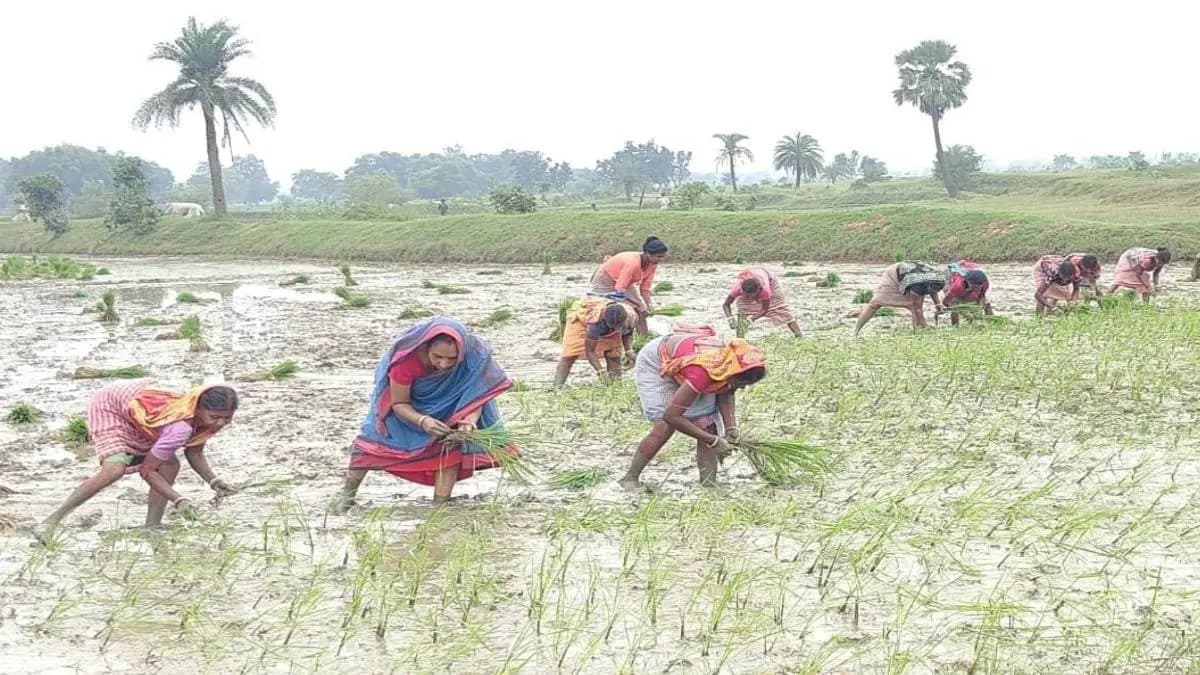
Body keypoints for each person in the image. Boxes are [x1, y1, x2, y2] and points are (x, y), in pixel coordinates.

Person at [335, 317, 517, 508]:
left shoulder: (474, 358)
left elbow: (476, 395)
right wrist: (423, 421)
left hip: (452, 408)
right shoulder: (405, 361)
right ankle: (346, 497)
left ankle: (439, 506)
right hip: (406, 409)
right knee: (371, 445)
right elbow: (399, 402)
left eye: (452, 359)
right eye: (437, 357)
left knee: (449, 448)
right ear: (425, 348)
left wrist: (468, 422)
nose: (444, 364)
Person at [40, 382, 239, 537]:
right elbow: (147, 470)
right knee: (114, 470)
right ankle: (52, 520)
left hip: (141, 410)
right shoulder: (180, 428)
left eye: (227, 418)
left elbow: (194, 451)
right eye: (215, 417)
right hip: (111, 405)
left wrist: (215, 482)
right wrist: (178, 500)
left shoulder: (200, 419)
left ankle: (151, 525)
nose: (221, 423)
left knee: (170, 465)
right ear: (197, 409)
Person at [620, 325, 766, 488]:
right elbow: (672, 416)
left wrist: (730, 428)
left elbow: (727, 390)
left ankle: (709, 485)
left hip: (690, 365)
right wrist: (713, 441)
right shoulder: (702, 373)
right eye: (741, 383)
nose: (743, 388)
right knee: (664, 426)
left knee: (708, 425)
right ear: (732, 373)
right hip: (657, 363)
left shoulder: (729, 365)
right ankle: (630, 478)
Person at [588, 236, 669, 334]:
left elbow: (645, 288)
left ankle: (643, 337)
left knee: (642, 309)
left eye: (663, 256)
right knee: (614, 308)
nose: (662, 259)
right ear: (648, 254)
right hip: (605, 279)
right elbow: (620, 290)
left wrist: (648, 305)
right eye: (659, 256)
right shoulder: (633, 263)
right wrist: (636, 303)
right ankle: (617, 335)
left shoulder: (653, 264)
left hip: (624, 282)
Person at [554, 297, 638, 387]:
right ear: (607, 322)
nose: (618, 329)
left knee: (614, 355)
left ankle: (615, 388)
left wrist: (629, 350)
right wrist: (600, 371)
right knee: (569, 356)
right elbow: (590, 351)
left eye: (621, 326)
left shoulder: (632, 316)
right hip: (581, 323)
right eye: (615, 327)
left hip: (610, 327)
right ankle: (556, 388)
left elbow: (628, 333)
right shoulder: (596, 324)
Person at [854, 261, 946, 335]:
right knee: (874, 304)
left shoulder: (935, 278)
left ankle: (918, 333)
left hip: (911, 275)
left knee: (914, 308)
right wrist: (926, 329)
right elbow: (918, 308)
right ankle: (856, 332)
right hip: (893, 277)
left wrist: (938, 304)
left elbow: (932, 290)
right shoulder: (917, 283)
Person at [721, 267, 803, 337]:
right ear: (742, 291)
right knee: (742, 311)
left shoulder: (765, 290)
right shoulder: (737, 289)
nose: (750, 298)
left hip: (769, 280)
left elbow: (765, 309)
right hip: (751, 279)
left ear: (758, 291)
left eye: (752, 296)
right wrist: (730, 319)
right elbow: (726, 304)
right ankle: (740, 340)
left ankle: (799, 337)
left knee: (780, 309)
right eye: (746, 296)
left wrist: (751, 320)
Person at [942, 260, 993, 325]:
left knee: (985, 303)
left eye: (977, 286)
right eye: (973, 286)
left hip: (972, 269)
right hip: (952, 272)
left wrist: (978, 309)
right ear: (967, 282)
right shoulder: (958, 285)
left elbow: (981, 296)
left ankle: (991, 321)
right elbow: (946, 300)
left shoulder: (985, 284)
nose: (975, 288)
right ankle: (955, 326)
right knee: (954, 304)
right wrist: (949, 305)